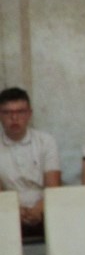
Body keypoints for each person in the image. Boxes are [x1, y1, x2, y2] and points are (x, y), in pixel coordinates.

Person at [0, 87, 60, 239]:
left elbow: (53, 187)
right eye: (7, 113)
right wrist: (16, 212)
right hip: (7, 212)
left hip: (45, 208)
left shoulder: (46, 141)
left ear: (29, 114)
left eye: (20, 112)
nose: (14, 118)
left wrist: (39, 210)